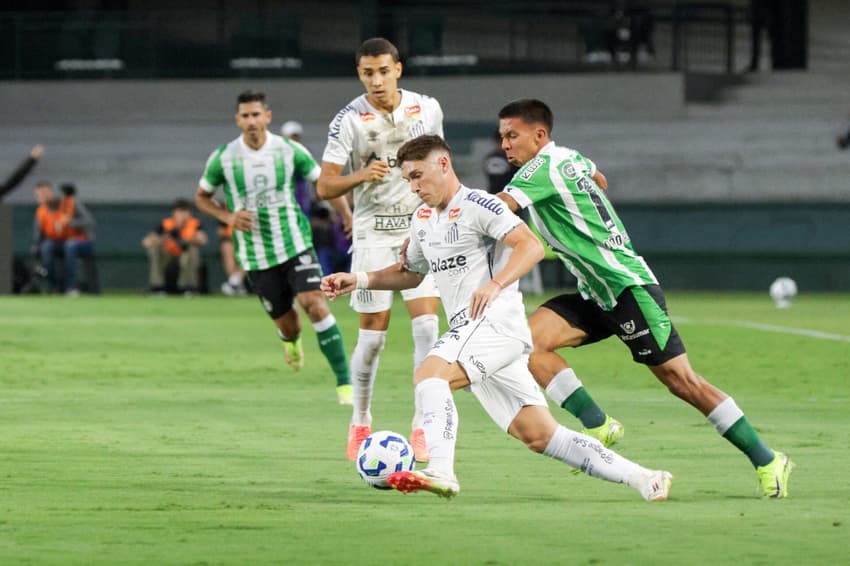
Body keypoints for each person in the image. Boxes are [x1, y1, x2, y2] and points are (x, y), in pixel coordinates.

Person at [321, 135, 673, 501]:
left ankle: (441, 470)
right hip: (472, 333)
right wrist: (360, 279)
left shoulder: (480, 204)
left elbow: (531, 246)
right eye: (408, 179)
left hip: (495, 325)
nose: (413, 187)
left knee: (430, 374)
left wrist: (495, 285)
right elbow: (412, 273)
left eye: (418, 176)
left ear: (444, 165)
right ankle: (646, 478)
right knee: (541, 436)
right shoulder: (423, 219)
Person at [495, 98, 793, 498]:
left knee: (682, 382)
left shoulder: (539, 168)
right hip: (596, 291)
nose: (505, 146)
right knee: (528, 344)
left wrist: (447, 209)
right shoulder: (569, 158)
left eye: (512, 136)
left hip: (627, 288)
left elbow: (499, 208)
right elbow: (599, 178)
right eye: (502, 137)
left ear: (539, 135)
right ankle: (600, 425)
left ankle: (767, 458)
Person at [317, 37, 444, 461]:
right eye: (368, 72)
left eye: (383, 71)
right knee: (373, 338)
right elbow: (324, 185)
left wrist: (447, 213)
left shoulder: (426, 108)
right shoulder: (348, 119)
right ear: (359, 74)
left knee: (427, 328)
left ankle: (422, 425)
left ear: (398, 70)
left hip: (419, 227)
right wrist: (359, 177)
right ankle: (360, 419)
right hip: (373, 233)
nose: (376, 80)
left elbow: (440, 165)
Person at [195, 89, 354, 405]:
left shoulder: (289, 150)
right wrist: (228, 216)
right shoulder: (224, 158)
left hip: (295, 243)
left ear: (267, 117)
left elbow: (322, 184)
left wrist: (346, 214)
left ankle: (346, 385)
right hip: (255, 255)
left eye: (257, 114)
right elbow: (201, 197)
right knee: (289, 324)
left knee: (315, 304)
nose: (252, 121)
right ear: (237, 120)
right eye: (246, 116)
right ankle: (291, 341)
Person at [31, 181, 96, 296]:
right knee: (46, 247)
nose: (42, 197)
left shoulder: (70, 203)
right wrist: (36, 248)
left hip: (80, 241)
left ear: (51, 193)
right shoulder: (41, 211)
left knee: (70, 245)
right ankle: (53, 287)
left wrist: (71, 222)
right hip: (57, 242)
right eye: (39, 195)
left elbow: (90, 222)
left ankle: (70, 287)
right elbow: (39, 235)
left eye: (44, 193)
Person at [142, 198, 208, 296]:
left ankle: (188, 287)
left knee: (193, 251)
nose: (182, 215)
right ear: (174, 213)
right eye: (180, 211)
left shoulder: (194, 223)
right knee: (154, 250)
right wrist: (164, 238)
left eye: (185, 211)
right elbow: (146, 242)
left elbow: (203, 240)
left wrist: (187, 240)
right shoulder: (166, 224)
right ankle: (157, 287)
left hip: (185, 256)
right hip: (168, 257)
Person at [217, 219, 247, 296]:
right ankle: (235, 284)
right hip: (231, 240)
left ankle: (233, 284)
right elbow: (220, 232)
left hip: (246, 243)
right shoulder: (228, 212)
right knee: (226, 246)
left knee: (248, 251)